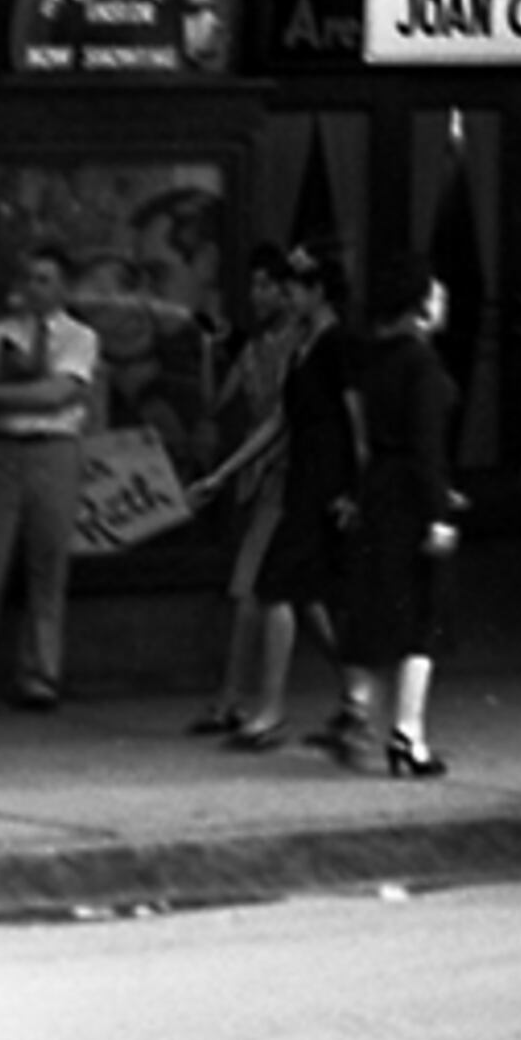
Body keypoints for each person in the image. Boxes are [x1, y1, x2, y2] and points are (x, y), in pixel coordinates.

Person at [0, 245, 95, 718]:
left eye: (46, 279)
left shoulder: (79, 337)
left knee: (47, 566)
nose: (35, 287)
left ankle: (40, 676)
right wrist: (13, 398)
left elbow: (61, 393)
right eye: (30, 278)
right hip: (3, 453)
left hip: (55, 451)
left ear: (64, 287)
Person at [329, 251, 461, 780]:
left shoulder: (372, 360)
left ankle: (359, 712)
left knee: (374, 608)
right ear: (420, 307)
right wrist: (439, 512)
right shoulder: (423, 365)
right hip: (410, 497)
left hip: (378, 490)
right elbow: (427, 446)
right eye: (437, 293)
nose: (443, 301)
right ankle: (409, 734)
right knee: (421, 620)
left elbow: (361, 437)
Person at [253, 245, 362, 756]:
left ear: (319, 291)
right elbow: (281, 419)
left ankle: (272, 708)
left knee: (277, 582)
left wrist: (355, 489)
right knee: (308, 594)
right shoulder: (303, 344)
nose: (289, 295)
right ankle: (357, 693)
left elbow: (357, 423)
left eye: (297, 286)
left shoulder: (338, 344)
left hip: (327, 477)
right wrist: (226, 470)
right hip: (304, 472)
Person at [186, 246, 296, 743]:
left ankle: (236, 697)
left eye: (265, 286)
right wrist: (212, 351)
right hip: (257, 475)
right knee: (276, 594)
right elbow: (217, 402)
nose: (256, 296)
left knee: (254, 586)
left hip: (281, 473)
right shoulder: (255, 350)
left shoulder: (297, 346)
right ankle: (353, 694)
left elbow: (279, 421)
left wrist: (224, 474)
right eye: (253, 286)